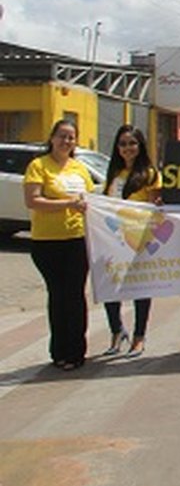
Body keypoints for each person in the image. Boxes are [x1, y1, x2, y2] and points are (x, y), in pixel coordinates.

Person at [23, 119, 93, 371]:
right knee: (58, 296)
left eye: (71, 137)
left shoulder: (79, 168)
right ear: (51, 138)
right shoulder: (38, 166)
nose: (66, 141)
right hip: (47, 243)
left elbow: (91, 199)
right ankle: (59, 351)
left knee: (75, 296)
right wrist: (67, 204)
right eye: (62, 136)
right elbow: (33, 201)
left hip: (77, 240)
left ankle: (76, 352)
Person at [101, 125, 161, 358]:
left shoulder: (150, 173)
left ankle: (139, 337)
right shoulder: (113, 173)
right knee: (110, 288)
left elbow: (156, 208)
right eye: (123, 144)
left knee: (140, 288)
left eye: (132, 143)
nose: (128, 148)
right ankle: (117, 331)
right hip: (112, 239)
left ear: (140, 146)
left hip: (138, 241)